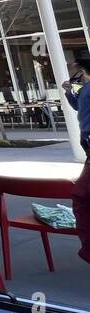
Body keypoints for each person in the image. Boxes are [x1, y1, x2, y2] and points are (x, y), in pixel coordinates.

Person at [64, 53, 90, 263]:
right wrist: (68, 92)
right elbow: (77, 106)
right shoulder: (83, 91)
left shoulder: (87, 89)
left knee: (82, 196)